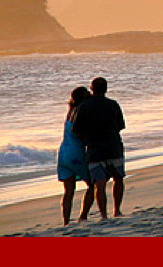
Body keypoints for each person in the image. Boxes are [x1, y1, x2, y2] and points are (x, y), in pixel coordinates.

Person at [72, 77, 126, 220]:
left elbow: (77, 130)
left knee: (99, 184)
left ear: (92, 88)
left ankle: (104, 214)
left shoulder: (84, 107)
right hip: (114, 146)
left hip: (95, 149)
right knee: (118, 179)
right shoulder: (113, 104)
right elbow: (120, 126)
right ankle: (117, 210)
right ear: (106, 89)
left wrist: (86, 140)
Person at [56, 86, 95, 226]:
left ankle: (66, 221)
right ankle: (83, 216)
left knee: (68, 191)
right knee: (93, 185)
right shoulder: (80, 112)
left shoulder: (70, 111)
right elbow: (79, 133)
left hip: (63, 152)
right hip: (76, 153)